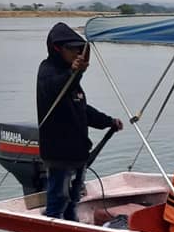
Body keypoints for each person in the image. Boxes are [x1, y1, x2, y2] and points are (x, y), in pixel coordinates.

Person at [36, 22, 124, 221]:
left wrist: (109, 122)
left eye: (79, 49)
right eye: (72, 49)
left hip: (78, 153)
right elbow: (56, 87)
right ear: (58, 48)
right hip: (59, 154)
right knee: (59, 198)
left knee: (74, 198)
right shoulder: (47, 71)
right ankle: (55, 230)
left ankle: (72, 226)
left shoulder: (73, 82)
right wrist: (75, 72)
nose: (77, 53)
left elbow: (83, 109)